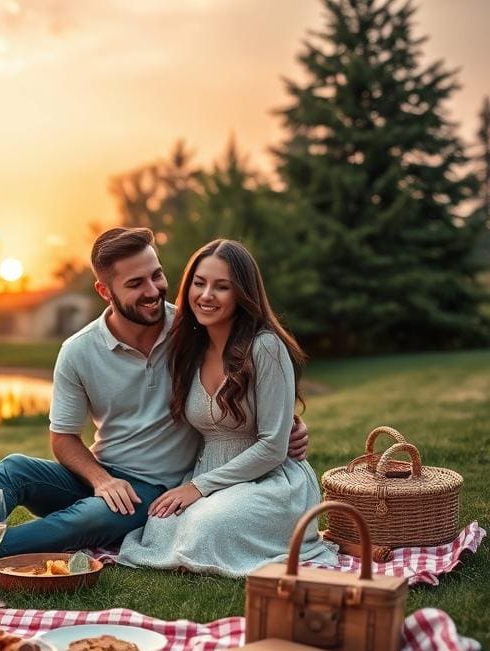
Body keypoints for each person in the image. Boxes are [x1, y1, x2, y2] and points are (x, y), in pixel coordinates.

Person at [0, 228, 310, 575]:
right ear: (105, 292)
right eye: (137, 284)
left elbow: (239, 395)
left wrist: (287, 429)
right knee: (16, 468)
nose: (155, 290)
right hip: (103, 475)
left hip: (158, 489)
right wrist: (102, 478)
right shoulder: (79, 351)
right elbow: (63, 438)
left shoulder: (190, 327)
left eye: (157, 275)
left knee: (81, 523)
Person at [118, 239, 337, 575]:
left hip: (270, 480)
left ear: (242, 294)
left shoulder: (265, 347)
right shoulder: (188, 347)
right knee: (160, 525)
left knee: (207, 525)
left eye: (222, 287)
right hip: (209, 472)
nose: (206, 296)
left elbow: (273, 447)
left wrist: (197, 488)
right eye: (199, 283)